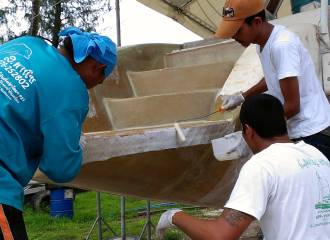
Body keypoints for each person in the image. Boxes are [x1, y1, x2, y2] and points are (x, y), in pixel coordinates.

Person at [156, 94, 330, 240]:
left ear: (248, 130)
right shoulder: (317, 156)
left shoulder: (262, 165)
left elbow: (220, 236)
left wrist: (174, 216)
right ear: (283, 121)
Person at [0, 26, 117, 239]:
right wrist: (76, 147)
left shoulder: (28, 44)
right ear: (97, 67)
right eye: (100, 81)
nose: (94, 86)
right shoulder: (70, 88)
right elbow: (59, 168)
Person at [215, 0, 330, 160]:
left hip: (312, 133)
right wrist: (242, 96)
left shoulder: (281, 45)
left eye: (238, 31)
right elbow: (273, 76)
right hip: (298, 130)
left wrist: (255, 135)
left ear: (256, 22)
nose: (234, 37)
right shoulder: (261, 43)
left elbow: (292, 106)